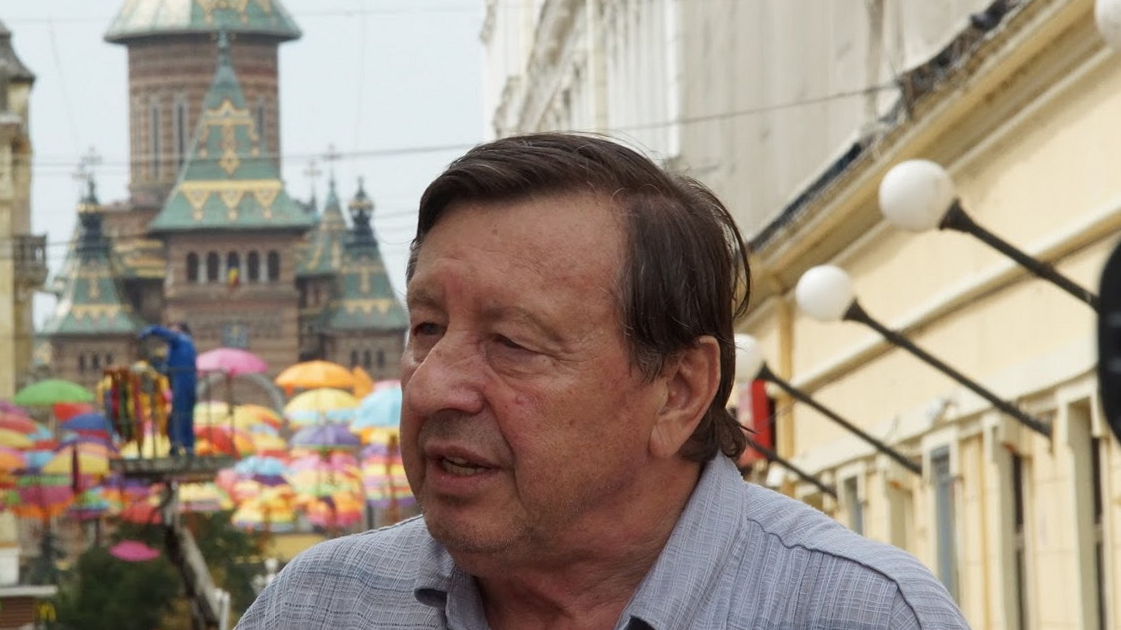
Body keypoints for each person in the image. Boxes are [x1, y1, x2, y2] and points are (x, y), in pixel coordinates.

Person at [238, 133, 970, 629]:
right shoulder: (314, 608)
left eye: (512, 343)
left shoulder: (860, 613)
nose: (430, 388)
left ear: (678, 391)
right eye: (427, 328)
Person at [138, 321, 197, 456]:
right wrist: (155, 364)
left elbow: (168, 335)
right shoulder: (177, 348)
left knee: (180, 414)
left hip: (184, 380)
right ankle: (184, 445)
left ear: (181, 330)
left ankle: (180, 445)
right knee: (183, 414)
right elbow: (167, 369)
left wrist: (152, 329)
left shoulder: (182, 340)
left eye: (174, 329)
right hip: (181, 380)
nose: (171, 332)